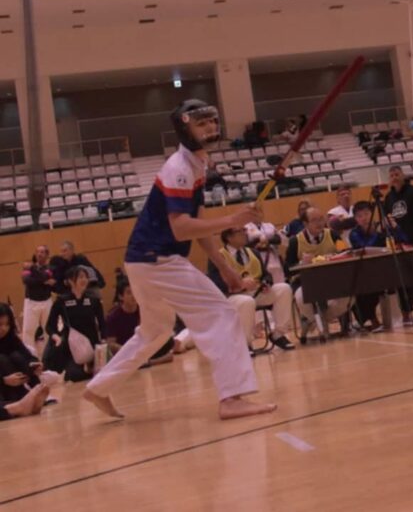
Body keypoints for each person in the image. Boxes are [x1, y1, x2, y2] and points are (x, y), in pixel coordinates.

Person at [82, 99, 276, 421]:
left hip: (144, 260)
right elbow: (182, 228)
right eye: (202, 124)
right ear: (185, 129)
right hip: (157, 259)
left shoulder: (197, 164)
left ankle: (99, 388)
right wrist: (233, 219)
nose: (210, 128)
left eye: (212, 121)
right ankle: (231, 398)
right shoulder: (179, 169)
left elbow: (198, 223)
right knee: (222, 314)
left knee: (155, 331)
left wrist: (225, 268)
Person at [211, 227, 296, 351]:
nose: (245, 234)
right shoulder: (218, 256)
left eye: (245, 231)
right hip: (232, 296)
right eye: (241, 231)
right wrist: (240, 284)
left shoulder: (253, 252)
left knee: (283, 288)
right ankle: (245, 343)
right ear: (229, 237)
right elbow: (215, 282)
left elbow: (266, 274)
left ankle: (278, 334)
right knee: (247, 302)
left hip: (256, 292)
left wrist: (266, 282)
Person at [348, 200, 413, 328]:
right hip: (368, 272)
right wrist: (377, 234)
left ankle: (406, 314)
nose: (364, 218)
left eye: (366, 214)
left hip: (389, 269)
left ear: (372, 214)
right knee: (361, 288)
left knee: (406, 277)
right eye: (359, 216)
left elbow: (404, 240)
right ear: (355, 219)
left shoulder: (384, 226)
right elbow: (364, 247)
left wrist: (395, 227)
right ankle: (373, 320)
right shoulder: (354, 234)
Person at [286, 207, 349, 335]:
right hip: (305, 282)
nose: (319, 223)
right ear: (305, 224)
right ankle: (316, 319)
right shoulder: (295, 241)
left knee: (347, 294)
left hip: (332, 279)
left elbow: (346, 253)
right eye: (314, 220)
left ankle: (316, 320)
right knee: (301, 297)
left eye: (321, 219)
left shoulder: (333, 235)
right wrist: (301, 263)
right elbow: (287, 269)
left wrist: (334, 257)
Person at [43, 266, 105, 382]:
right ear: (71, 281)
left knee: (103, 372)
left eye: (86, 277)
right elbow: (50, 326)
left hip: (93, 345)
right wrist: (57, 337)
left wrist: (104, 341)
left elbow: (102, 324)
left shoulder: (94, 300)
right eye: (80, 277)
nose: (84, 280)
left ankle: (90, 366)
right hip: (73, 347)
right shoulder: (62, 301)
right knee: (75, 376)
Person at [105, 280, 174, 364]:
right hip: (126, 350)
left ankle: (147, 362)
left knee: (168, 341)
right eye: (129, 293)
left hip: (144, 348)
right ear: (120, 296)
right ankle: (147, 362)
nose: (133, 295)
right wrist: (126, 350)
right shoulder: (113, 317)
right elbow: (111, 343)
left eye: (135, 291)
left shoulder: (144, 311)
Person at [0, 302, 50, 416]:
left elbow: (27, 355)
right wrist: (4, 380)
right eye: (0, 324)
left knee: (17, 356)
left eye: (7, 324)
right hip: (3, 386)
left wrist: (35, 364)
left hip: (16, 384)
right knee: (2, 359)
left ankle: (34, 391)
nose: (4, 328)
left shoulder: (11, 338)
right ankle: (17, 404)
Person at [20, 246, 56, 352]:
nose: (39, 254)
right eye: (38, 252)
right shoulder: (27, 268)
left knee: (48, 329)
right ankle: (29, 356)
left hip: (46, 302)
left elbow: (45, 277)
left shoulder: (50, 268)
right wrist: (44, 281)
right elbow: (27, 281)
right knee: (28, 331)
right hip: (31, 302)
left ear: (47, 255)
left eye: (42, 252)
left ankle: (49, 355)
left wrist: (33, 270)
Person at [383, 166, 413, 247]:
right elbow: (387, 217)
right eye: (392, 176)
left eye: (397, 174)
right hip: (398, 239)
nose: (394, 178)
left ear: (403, 176)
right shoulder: (388, 197)